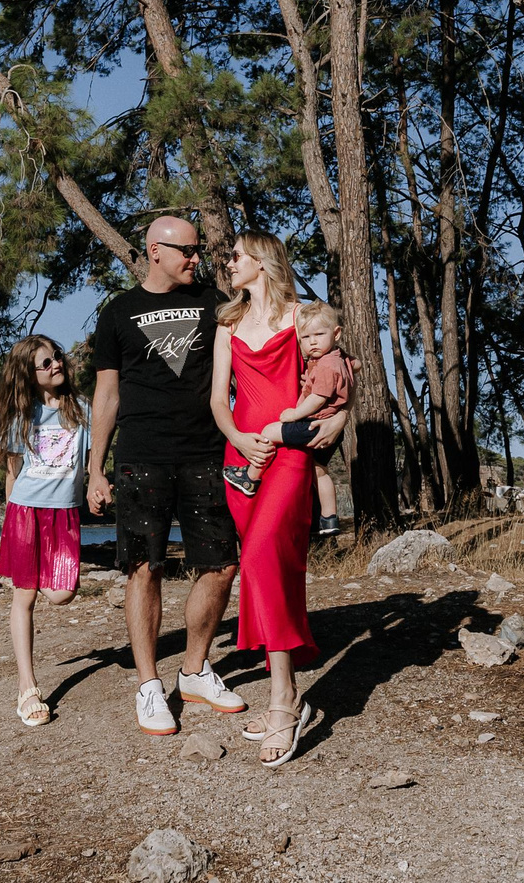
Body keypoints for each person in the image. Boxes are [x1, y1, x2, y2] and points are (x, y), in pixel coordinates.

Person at [88, 214, 248, 736]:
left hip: (207, 451)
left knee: (222, 565)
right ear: (155, 251)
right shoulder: (118, 312)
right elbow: (107, 395)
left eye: (197, 251)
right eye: (187, 251)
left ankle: (195, 670)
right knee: (144, 568)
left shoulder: (213, 305)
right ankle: (148, 685)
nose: (196, 259)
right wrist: (95, 467)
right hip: (141, 455)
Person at [211, 233, 343, 766]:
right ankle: (284, 688)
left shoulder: (299, 318)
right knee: (267, 568)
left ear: (261, 262)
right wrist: (239, 440)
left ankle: (285, 700)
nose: (228, 263)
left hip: (288, 451)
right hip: (241, 456)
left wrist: (338, 418)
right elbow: (219, 399)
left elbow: (338, 376)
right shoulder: (227, 324)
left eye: (236, 256)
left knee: (264, 554)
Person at [0, 336, 88, 728]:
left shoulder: (83, 412)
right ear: (29, 374)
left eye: (56, 358)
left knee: (61, 594)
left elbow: (92, 463)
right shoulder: (21, 418)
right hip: (25, 511)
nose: (55, 365)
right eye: (45, 363)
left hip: (64, 514)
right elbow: (13, 476)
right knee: (24, 596)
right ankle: (28, 687)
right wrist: (9, 526)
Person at [266, 303, 352, 539]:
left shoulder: (326, 364)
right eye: (306, 337)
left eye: (319, 335)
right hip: (328, 427)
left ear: (336, 334)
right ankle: (329, 517)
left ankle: (249, 476)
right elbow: (357, 364)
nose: (312, 342)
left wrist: (294, 414)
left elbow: (317, 398)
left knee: (269, 431)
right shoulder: (337, 357)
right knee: (319, 470)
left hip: (313, 424)